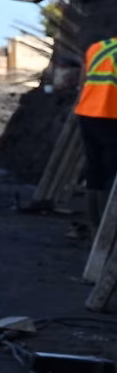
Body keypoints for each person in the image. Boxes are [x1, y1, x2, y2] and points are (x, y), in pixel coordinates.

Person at [78, 35, 117, 230]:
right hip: (112, 116)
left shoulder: (96, 48)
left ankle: (95, 225)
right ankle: (107, 227)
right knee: (111, 171)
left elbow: (83, 81)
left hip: (88, 114)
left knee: (94, 169)